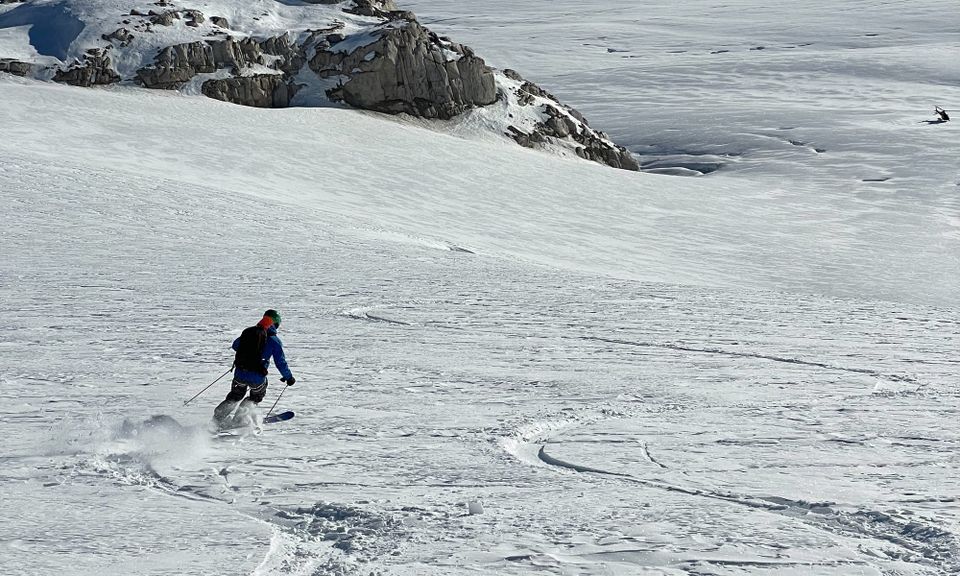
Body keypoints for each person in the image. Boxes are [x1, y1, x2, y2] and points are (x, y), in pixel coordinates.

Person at [214, 309, 295, 427]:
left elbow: (235, 345)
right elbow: (280, 363)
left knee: (235, 396)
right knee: (255, 397)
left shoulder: (250, 333)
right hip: (257, 378)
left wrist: (249, 353)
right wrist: (288, 377)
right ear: (276, 324)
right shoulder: (274, 341)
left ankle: (217, 419)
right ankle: (238, 420)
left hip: (240, 374)